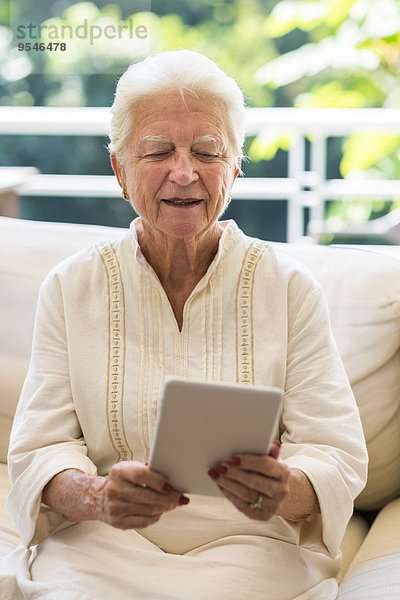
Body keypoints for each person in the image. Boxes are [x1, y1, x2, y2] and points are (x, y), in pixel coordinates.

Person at [5, 50, 367, 600]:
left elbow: (336, 452)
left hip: (252, 549)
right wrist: (98, 496)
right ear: (120, 170)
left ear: (236, 167)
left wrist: (287, 490)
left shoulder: (289, 287)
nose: (183, 172)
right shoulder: (71, 285)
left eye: (206, 152)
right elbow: (39, 449)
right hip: (104, 545)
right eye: (156, 152)